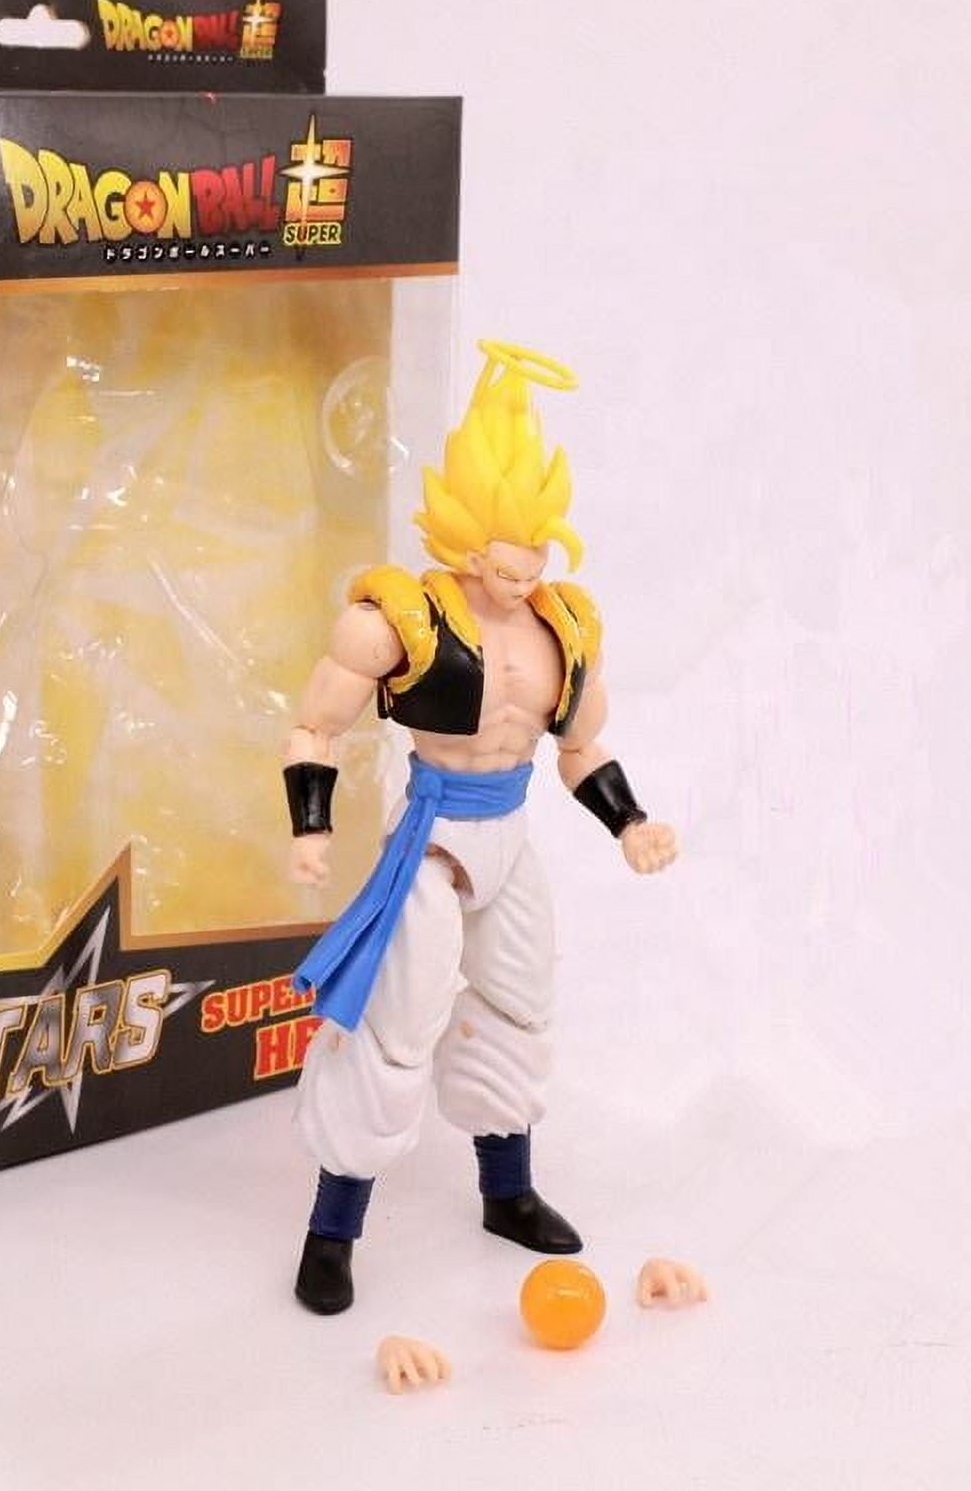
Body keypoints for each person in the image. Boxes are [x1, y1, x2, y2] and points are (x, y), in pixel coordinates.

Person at [281, 341, 677, 1313]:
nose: (525, 566)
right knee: (396, 1029)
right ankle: (331, 1232)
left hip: (508, 835)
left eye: (538, 543)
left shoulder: (563, 628)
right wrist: (311, 826)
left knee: (519, 1006)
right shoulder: (399, 620)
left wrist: (629, 823)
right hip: (431, 839)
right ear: (462, 534)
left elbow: (579, 747)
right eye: (507, 547)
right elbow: (315, 724)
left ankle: (508, 1192)